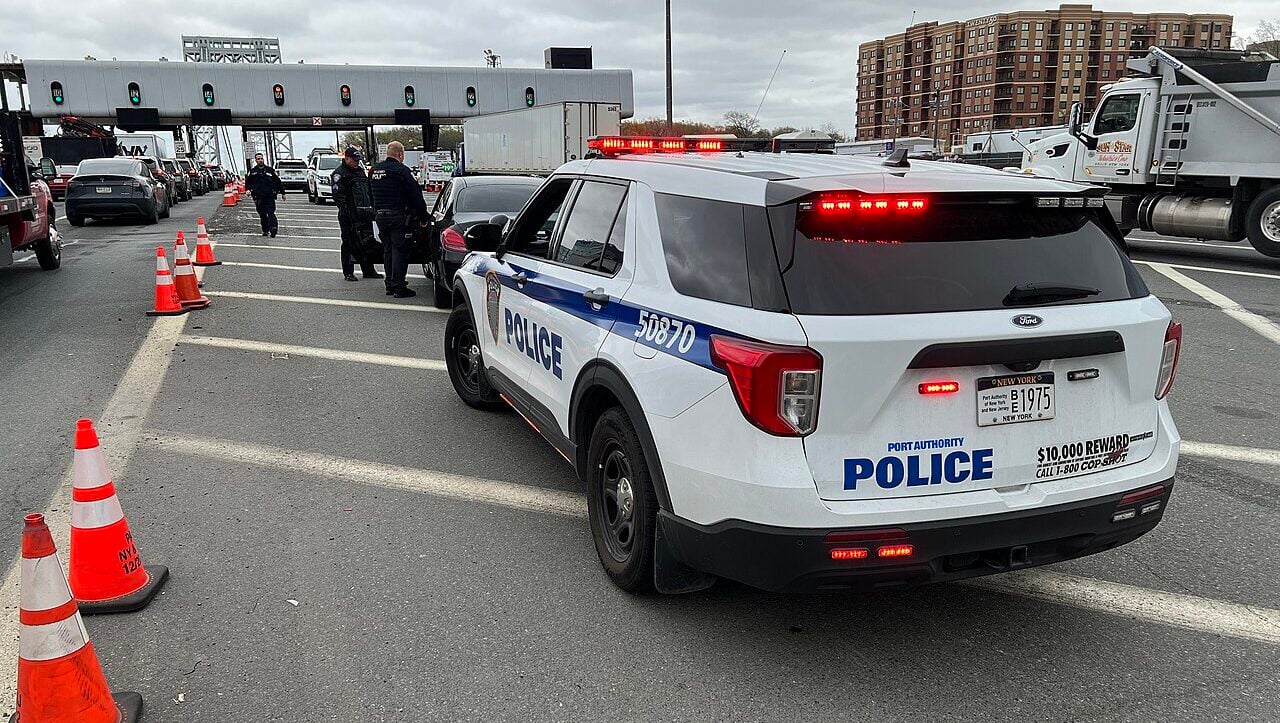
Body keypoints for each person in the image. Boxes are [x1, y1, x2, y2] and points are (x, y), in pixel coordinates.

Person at [370, 141, 428, 298]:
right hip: (397, 216)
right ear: (400, 154)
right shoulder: (402, 171)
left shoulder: (374, 171)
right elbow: (416, 196)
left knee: (387, 250)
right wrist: (423, 217)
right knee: (400, 251)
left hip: (380, 216)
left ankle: (389, 284)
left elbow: (370, 194)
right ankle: (399, 287)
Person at [330, 146, 382, 282]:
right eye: (354, 160)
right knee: (348, 242)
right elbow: (338, 196)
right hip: (348, 215)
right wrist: (348, 211)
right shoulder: (339, 174)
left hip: (364, 212)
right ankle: (348, 272)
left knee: (366, 241)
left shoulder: (360, 172)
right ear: (346, 158)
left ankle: (368, 269)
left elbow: (367, 190)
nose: (356, 163)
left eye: (358, 160)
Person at [245, 153, 285, 237]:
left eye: (261, 158)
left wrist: (283, 193)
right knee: (262, 214)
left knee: (271, 212)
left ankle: (273, 228)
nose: (260, 160)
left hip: (269, 195)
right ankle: (265, 230)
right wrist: (248, 190)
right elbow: (248, 182)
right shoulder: (253, 172)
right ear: (256, 160)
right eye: (258, 159)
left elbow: (278, 181)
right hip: (258, 196)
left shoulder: (270, 170)